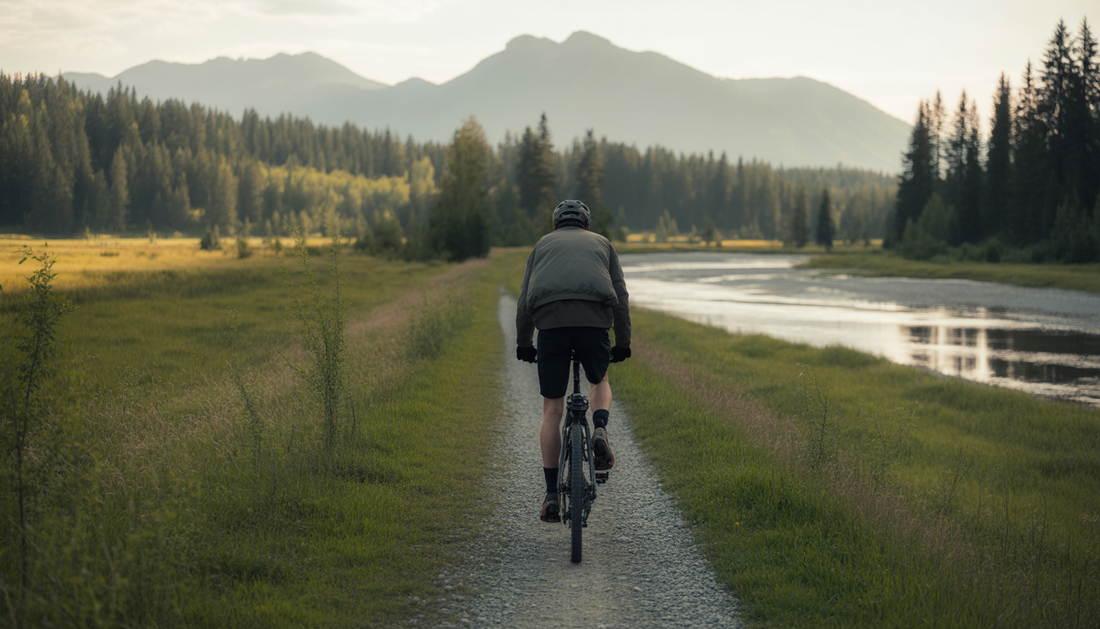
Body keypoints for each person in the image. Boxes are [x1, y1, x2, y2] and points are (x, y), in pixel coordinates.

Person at [515, 200, 631, 523]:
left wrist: (524, 343)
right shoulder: (603, 244)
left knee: (553, 408)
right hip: (594, 323)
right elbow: (620, 297)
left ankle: (552, 496)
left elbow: (525, 299)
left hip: (550, 324)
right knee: (600, 379)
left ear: (555, 226)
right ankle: (600, 429)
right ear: (586, 226)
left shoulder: (542, 246)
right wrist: (623, 343)